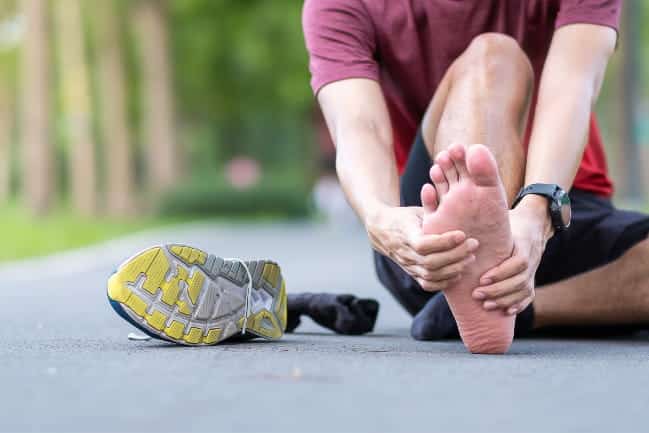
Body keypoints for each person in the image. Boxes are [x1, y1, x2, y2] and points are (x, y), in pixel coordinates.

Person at [303, 0, 649, 353]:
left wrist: (535, 212)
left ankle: (514, 307)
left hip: (557, 204)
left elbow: (572, 85)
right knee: (495, 58)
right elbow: (360, 128)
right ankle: (478, 258)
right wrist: (381, 217)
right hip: (432, 243)